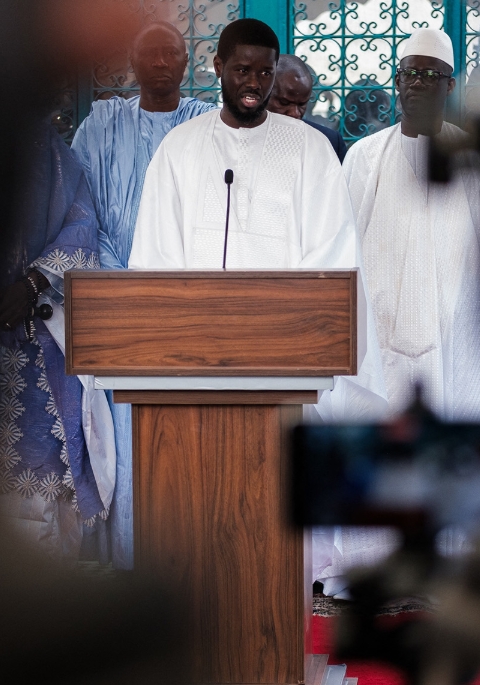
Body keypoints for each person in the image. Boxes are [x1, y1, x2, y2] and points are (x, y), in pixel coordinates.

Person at [129, 17, 388, 422]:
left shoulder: (311, 149)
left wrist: (283, 329)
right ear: (218, 67)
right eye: (242, 71)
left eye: (265, 72)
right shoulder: (178, 147)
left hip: (287, 361)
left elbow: (333, 256)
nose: (254, 84)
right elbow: (155, 256)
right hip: (197, 361)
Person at [70, 21, 215, 569]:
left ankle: (191, 559)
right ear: (131, 62)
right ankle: (131, 562)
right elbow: (83, 211)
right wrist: (125, 284)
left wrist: (172, 285)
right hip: (118, 304)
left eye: (169, 53)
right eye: (148, 53)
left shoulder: (205, 125)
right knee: (127, 436)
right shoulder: (101, 123)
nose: (159, 62)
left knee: (190, 430)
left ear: (186, 63)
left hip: (188, 305)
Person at [344, 28, 480, 422]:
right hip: (383, 334)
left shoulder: (471, 160)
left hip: (459, 338)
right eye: (410, 73)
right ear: (397, 80)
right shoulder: (364, 158)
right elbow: (344, 249)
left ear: (450, 84)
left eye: (431, 75)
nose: (418, 83)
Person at [0, 120, 115, 560]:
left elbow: (81, 227)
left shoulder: (47, 150)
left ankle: (43, 608)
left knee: (40, 475)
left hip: (38, 344)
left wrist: (30, 286)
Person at [267, 54, 347, 162]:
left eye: (302, 104)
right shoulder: (241, 137)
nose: (295, 113)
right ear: (264, 95)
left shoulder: (329, 141)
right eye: (284, 102)